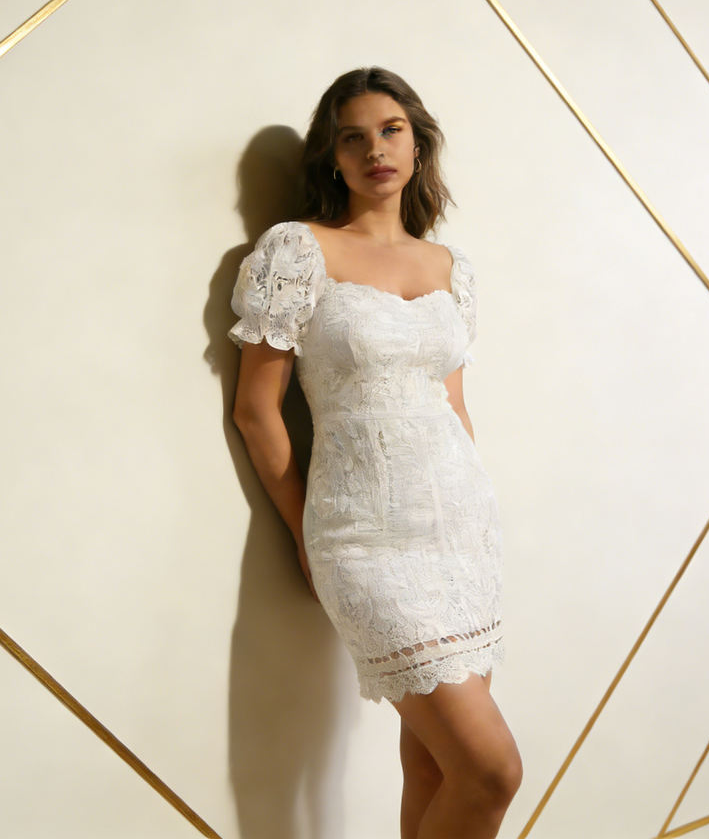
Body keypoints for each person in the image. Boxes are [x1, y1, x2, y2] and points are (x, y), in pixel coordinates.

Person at [228, 67, 522, 839]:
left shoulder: (450, 268)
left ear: (418, 144)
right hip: (364, 537)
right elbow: (257, 410)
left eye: (391, 131)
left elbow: (453, 406)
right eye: (351, 138)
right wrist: (304, 531)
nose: (374, 150)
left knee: (436, 769)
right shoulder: (298, 251)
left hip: (462, 533)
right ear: (331, 158)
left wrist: (473, 517)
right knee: (492, 771)